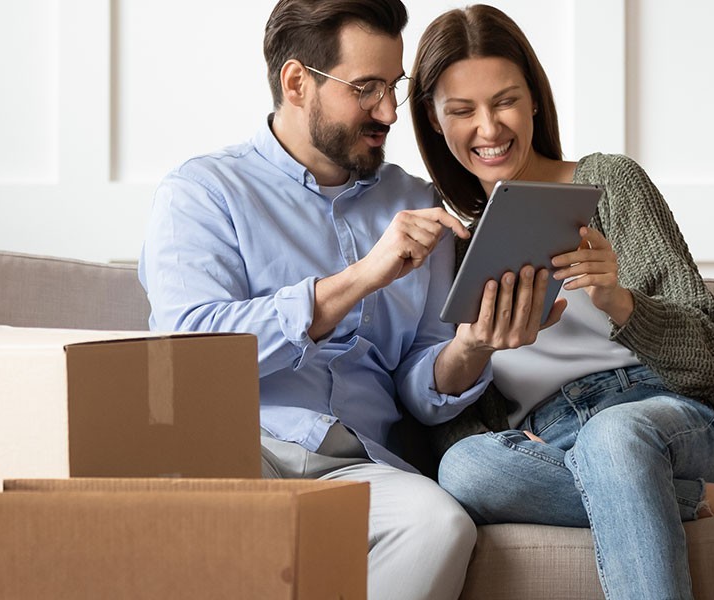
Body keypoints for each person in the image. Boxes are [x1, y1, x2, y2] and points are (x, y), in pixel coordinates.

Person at [409, 6, 714, 599]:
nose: (490, 128)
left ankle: (700, 482)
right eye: (462, 111)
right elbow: (453, 415)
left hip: (666, 415)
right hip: (549, 436)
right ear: (435, 119)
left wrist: (622, 301)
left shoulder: (609, 183)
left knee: (616, 435)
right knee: (465, 469)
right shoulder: (446, 243)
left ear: (533, 103)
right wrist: (473, 345)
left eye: (504, 101)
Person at [137, 1, 561, 598]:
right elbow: (188, 353)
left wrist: (469, 347)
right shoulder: (203, 193)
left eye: (394, 86)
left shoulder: (415, 201)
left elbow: (420, 379)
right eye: (366, 89)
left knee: (439, 525)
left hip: (357, 463)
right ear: (296, 82)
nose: (389, 111)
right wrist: (361, 277)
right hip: (235, 447)